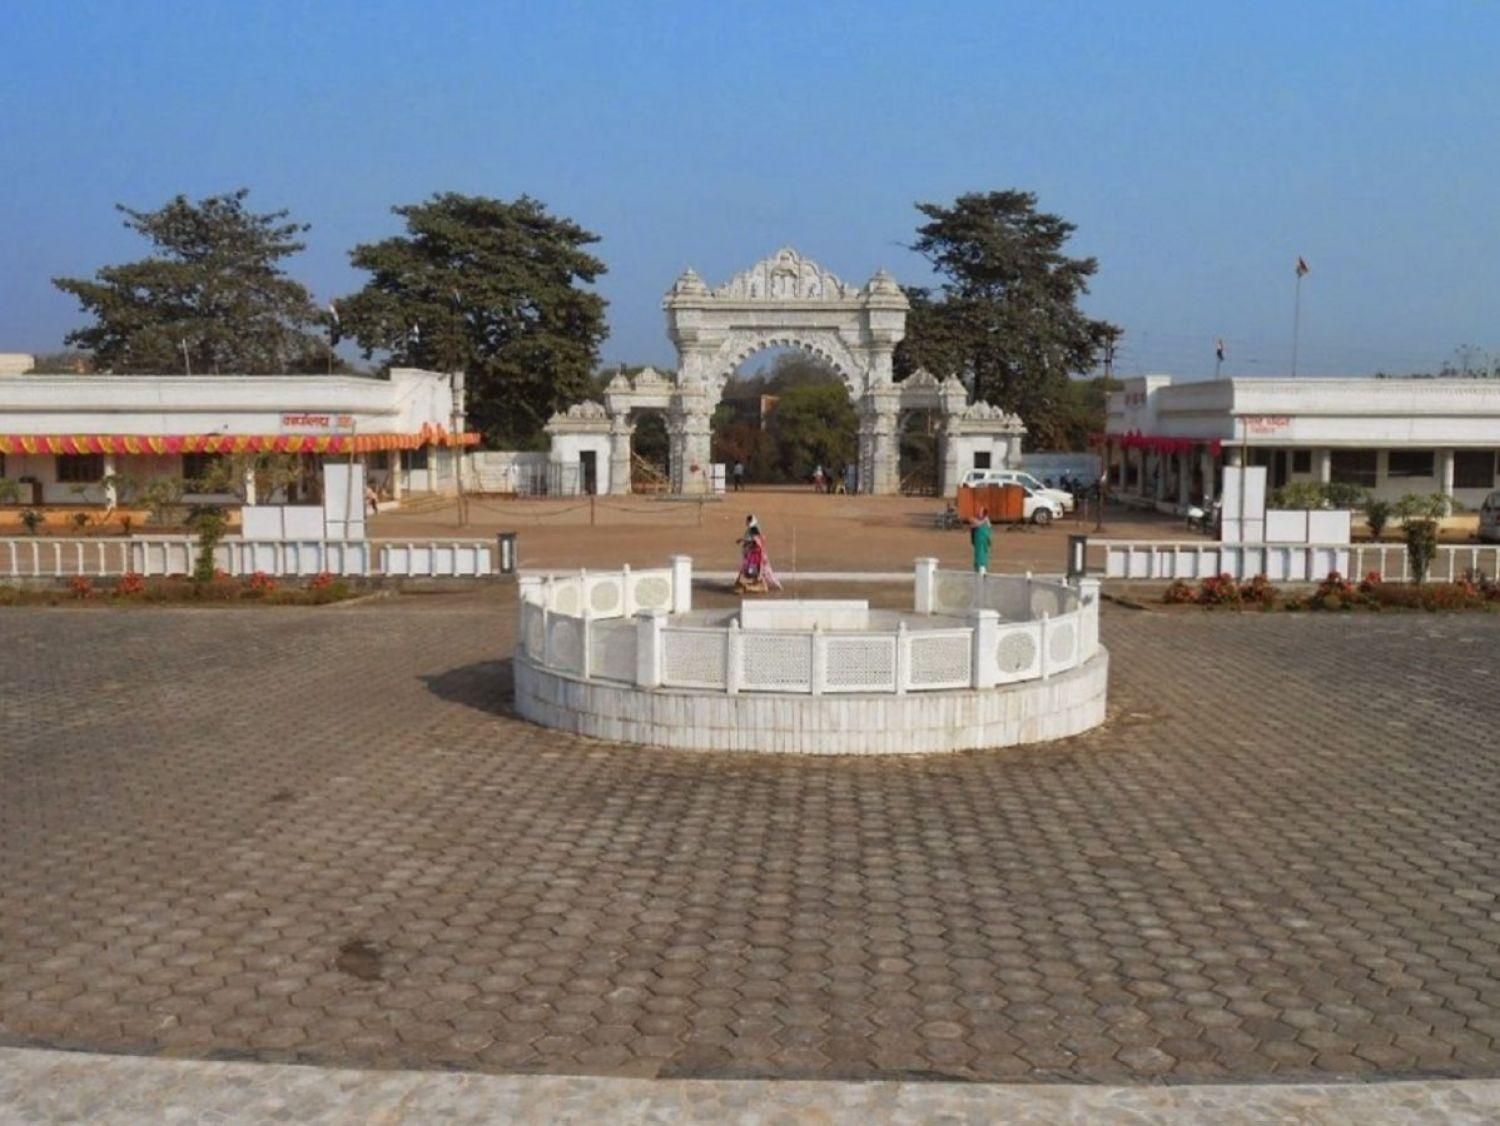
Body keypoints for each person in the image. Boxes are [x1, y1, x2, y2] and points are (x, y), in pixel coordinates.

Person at [734, 514, 783, 594]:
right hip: (753, 554)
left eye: (747, 520)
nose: (746, 522)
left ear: (750, 521)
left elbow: (756, 541)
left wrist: (744, 542)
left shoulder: (754, 529)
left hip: (755, 555)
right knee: (752, 569)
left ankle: (757, 585)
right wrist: (743, 541)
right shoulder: (752, 529)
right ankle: (751, 583)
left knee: (753, 570)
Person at [968, 506, 992, 572]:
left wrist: (989, 538)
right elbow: (974, 523)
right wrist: (984, 521)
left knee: (984, 555)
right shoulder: (975, 519)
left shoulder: (987, 520)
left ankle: (983, 568)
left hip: (984, 541)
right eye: (979, 511)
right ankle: (977, 568)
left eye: (981, 511)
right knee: (978, 555)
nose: (979, 512)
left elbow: (989, 528)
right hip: (977, 541)